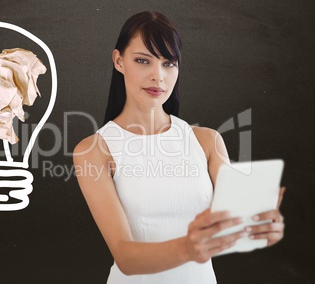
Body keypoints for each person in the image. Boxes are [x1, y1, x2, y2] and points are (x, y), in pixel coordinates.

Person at [73, 11, 285, 283]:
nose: (157, 76)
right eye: (142, 60)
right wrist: (189, 247)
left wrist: (264, 230)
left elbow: (237, 227)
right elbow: (125, 257)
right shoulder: (94, 150)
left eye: (168, 63)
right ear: (119, 61)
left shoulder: (207, 141)